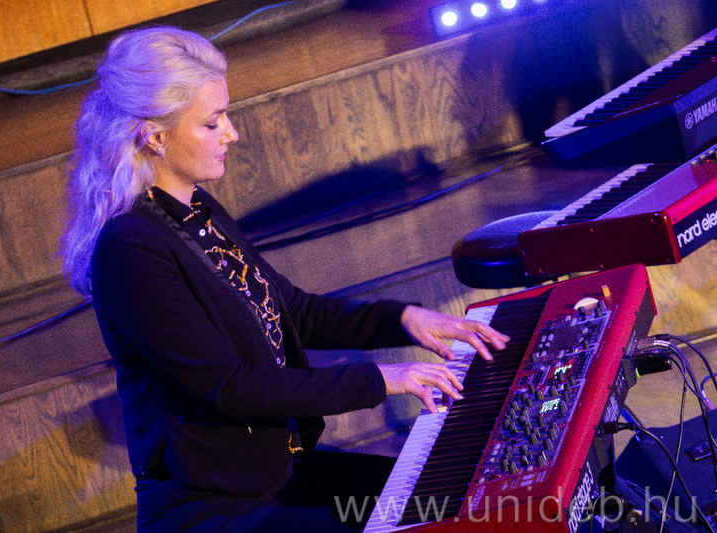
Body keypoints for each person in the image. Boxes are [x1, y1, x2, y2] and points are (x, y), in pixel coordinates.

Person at [60, 26, 509, 533]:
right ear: (155, 137)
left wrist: (403, 319)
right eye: (212, 122)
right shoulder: (131, 249)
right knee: (420, 521)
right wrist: (383, 379)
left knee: (450, 498)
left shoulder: (196, 210)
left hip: (276, 473)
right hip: (216, 507)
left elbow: (290, 310)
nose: (231, 133)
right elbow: (228, 387)